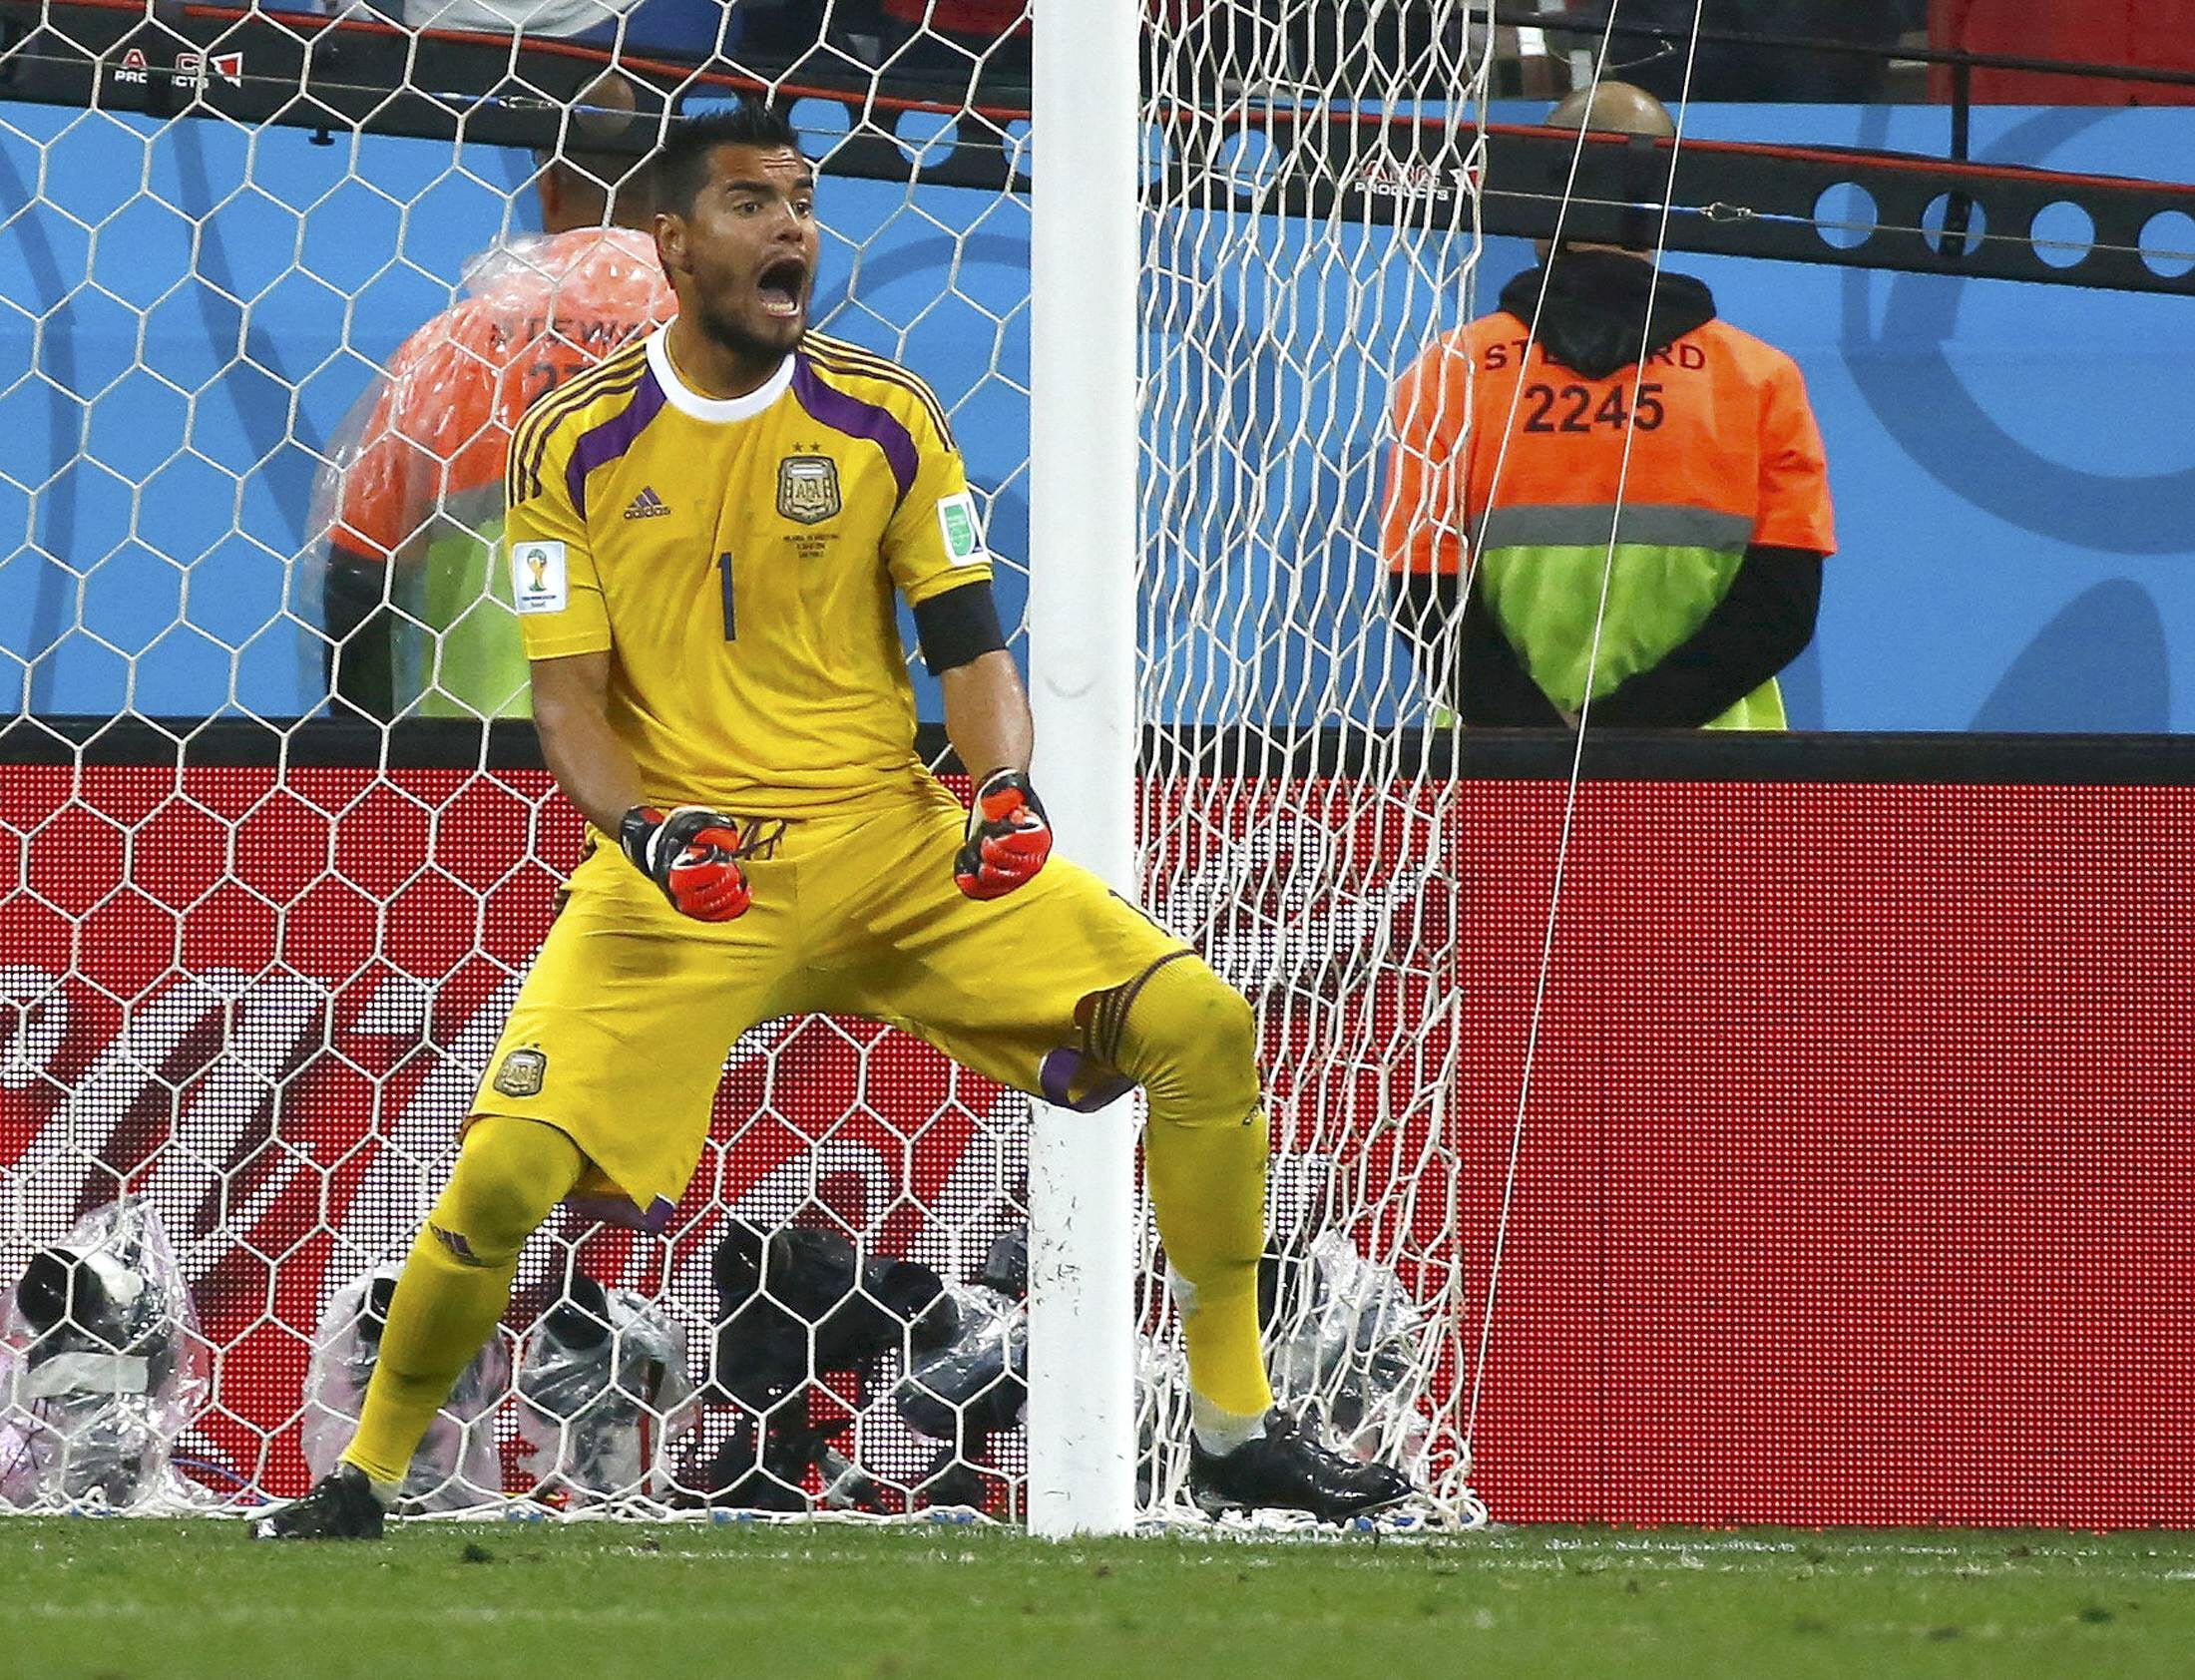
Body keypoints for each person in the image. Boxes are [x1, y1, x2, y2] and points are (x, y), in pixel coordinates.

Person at [261, 101, 1410, 1538]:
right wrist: (649, 834)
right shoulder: (574, 442)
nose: (794, 225)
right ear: (673, 244)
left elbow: (973, 654)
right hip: (686, 872)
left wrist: (998, 788)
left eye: (804, 199)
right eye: (753, 203)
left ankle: (1234, 1427)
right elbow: (569, 708)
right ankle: (363, 1479)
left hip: (889, 847)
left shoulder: (885, 418)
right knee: (501, 1176)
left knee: (1201, 1029)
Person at [1383, 82, 1834, 730]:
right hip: (1709, 773)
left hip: (1497, 772)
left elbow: (1422, 597)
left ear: (1541, 201)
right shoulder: (1762, 379)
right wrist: (1627, 734)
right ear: (1666, 205)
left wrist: (1539, 742)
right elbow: (1781, 607)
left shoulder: (1452, 371)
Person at [320, 75, 672, 720]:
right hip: (694, 773)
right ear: (677, 201)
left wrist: (364, 760)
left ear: (547, 187)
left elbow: (355, 579)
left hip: (481, 774)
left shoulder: (449, 347)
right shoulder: (726, 345)